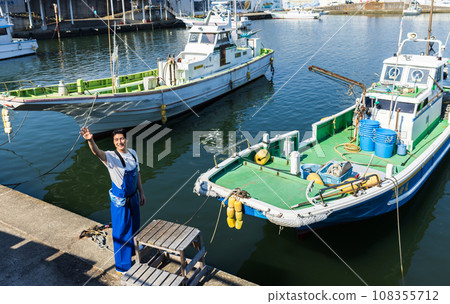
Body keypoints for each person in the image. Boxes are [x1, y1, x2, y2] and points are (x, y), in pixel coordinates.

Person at [80, 127, 146, 273]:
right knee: (121, 232)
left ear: (126, 139)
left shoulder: (133, 154)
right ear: (114, 142)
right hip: (120, 202)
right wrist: (90, 140)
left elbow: (138, 174)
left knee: (135, 225)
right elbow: (97, 152)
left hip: (134, 197)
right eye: (116, 140)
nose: (119, 142)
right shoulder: (111, 156)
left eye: (122, 138)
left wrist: (141, 193)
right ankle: (123, 266)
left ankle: (134, 250)